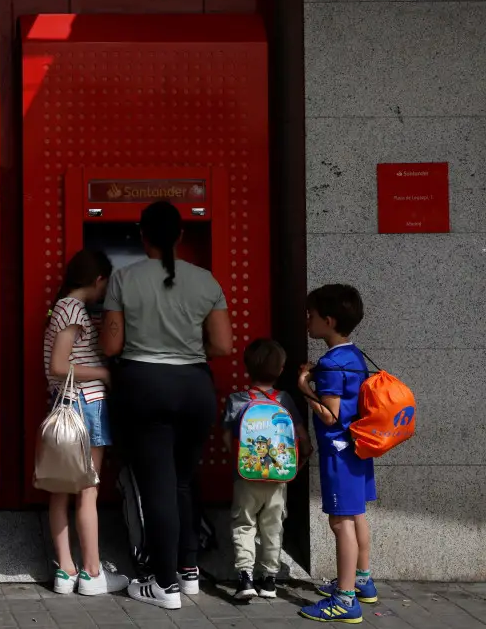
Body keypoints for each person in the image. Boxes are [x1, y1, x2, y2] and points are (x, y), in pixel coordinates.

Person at [102, 200, 233, 610]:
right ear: (180, 235)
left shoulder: (124, 278)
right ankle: (188, 570)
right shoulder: (205, 280)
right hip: (194, 386)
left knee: (158, 485)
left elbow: (111, 344)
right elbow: (223, 345)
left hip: (144, 386)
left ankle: (164, 584)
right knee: (182, 480)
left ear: (143, 236)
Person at [43, 249, 130, 597]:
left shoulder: (61, 307)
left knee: (61, 489)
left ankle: (65, 571)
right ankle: (92, 573)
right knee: (87, 490)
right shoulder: (73, 309)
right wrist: (104, 373)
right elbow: (59, 366)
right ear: (98, 280)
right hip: (85, 405)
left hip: (64, 407)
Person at [297, 284, 377, 624]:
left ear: (328, 321)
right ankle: (362, 580)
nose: (307, 320)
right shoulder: (354, 355)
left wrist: (304, 386)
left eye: (311, 315)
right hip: (358, 449)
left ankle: (345, 600)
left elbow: (329, 415)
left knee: (340, 521)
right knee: (356, 514)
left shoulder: (331, 363)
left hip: (338, 452)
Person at [221, 339, 311, 601]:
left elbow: (228, 440)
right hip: (277, 479)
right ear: (281, 369)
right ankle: (269, 581)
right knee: (273, 527)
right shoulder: (284, 400)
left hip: (246, 476)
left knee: (244, 524)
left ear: (247, 367)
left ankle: (245, 578)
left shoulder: (237, 400)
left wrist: (240, 462)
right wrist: (302, 458)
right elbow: (302, 438)